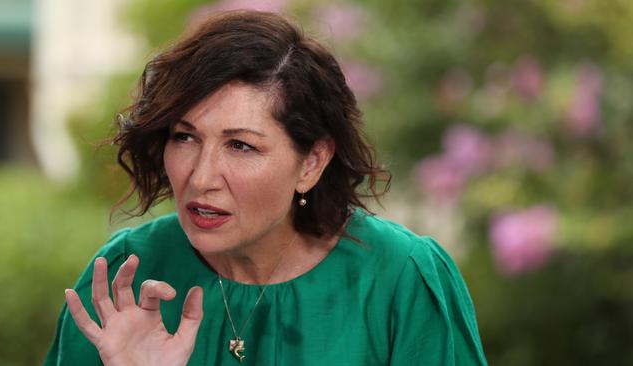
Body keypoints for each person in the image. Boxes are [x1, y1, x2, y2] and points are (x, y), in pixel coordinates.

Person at [44, 10, 487, 366]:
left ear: (311, 162)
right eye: (184, 137)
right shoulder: (126, 276)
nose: (200, 178)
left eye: (240, 145)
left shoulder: (401, 278)